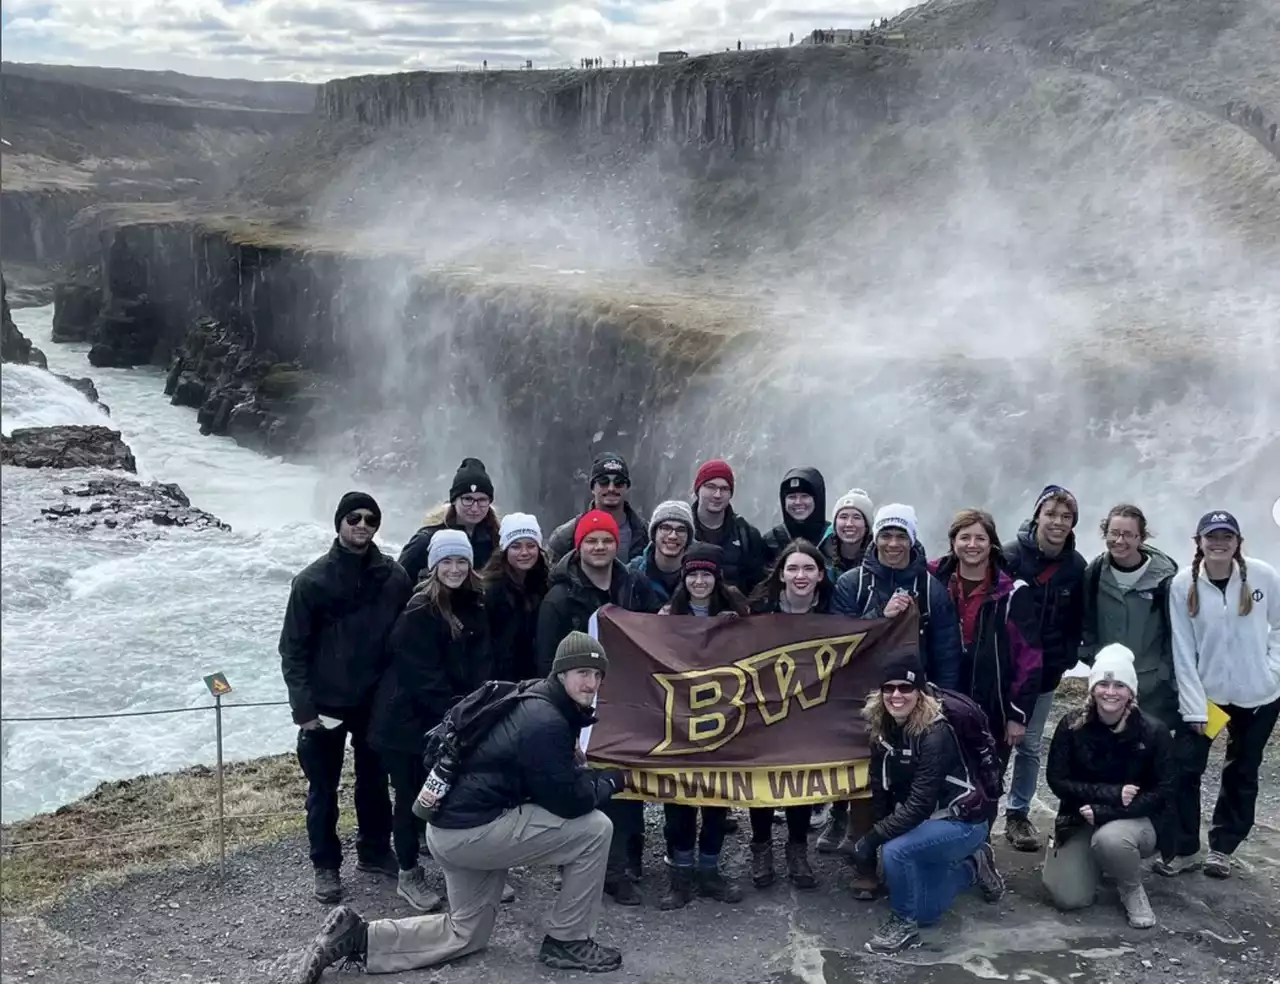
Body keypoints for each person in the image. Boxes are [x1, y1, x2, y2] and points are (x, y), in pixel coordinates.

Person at [291, 633, 629, 982]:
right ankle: (568, 940)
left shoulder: (533, 696)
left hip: (451, 826)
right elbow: (569, 803)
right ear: (561, 674)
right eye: (582, 673)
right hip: (473, 833)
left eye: (597, 674)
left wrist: (582, 772)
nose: (591, 683)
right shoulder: (547, 720)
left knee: (467, 934)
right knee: (595, 829)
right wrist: (610, 781)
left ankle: (357, 937)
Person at [280, 492, 410, 903]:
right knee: (323, 786)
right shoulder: (312, 581)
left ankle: (374, 851)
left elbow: (407, 640)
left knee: (375, 781)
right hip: (326, 703)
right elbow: (293, 649)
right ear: (339, 522)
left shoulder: (394, 577)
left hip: (375, 701)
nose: (362, 525)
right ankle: (325, 866)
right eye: (353, 517)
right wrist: (302, 708)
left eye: (370, 519)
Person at [536, 508, 659, 904]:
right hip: (578, 703)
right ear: (579, 546)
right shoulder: (559, 596)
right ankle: (583, 865)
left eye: (606, 540)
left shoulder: (633, 584)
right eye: (592, 540)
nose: (600, 547)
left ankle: (625, 863)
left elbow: (662, 630)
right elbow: (546, 659)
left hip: (627, 699)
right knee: (580, 780)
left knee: (625, 779)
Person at [368, 530, 491, 911]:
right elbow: (422, 676)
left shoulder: (476, 604)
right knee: (412, 797)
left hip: (452, 717)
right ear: (433, 566)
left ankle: (466, 869)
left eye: (461, 561)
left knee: (456, 793)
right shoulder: (418, 611)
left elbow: (482, 661)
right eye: (447, 562)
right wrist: (461, 712)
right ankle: (409, 874)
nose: (454, 569)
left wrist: (479, 703)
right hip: (405, 724)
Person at [852, 656, 1004, 954]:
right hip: (927, 822)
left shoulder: (936, 733)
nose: (896, 696)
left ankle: (902, 926)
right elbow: (879, 788)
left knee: (898, 850)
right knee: (927, 912)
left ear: (920, 692)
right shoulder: (881, 728)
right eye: (889, 688)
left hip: (961, 821)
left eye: (906, 688)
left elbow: (920, 804)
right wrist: (876, 841)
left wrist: (874, 839)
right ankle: (974, 865)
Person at [1163, 511, 1280, 879]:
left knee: (1242, 770)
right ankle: (1185, 849)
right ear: (1198, 541)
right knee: (1185, 769)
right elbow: (1182, 648)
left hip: (1259, 697)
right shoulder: (1184, 584)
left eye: (1226, 536)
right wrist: (1194, 706)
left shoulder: (1263, 575)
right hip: (1209, 696)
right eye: (1211, 536)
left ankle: (1223, 848)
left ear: (1238, 541)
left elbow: (1279, 626)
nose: (1219, 542)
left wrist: (1271, 671)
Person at [1043, 644, 1172, 928]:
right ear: (1092, 689)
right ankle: (1096, 860)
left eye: (1119, 685)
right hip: (1082, 816)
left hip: (1134, 819)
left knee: (1110, 840)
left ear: (1131, 692)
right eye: (1102, 683)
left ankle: (1130, 888)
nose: (1110, 692)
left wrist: (1107, 812)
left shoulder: (1154, 731)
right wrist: (1111, 794)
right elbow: (1057, 779)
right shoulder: (1071, 725)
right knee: (1068, 897)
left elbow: (1163, 791)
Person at [656, 543, 748, 909]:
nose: (698, 581)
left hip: (722, 716)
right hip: (679, 718)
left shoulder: (735, 612)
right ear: (684, 577)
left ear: (716, 578)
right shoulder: (667, 614)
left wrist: (737, 626)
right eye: (692, 574)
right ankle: (679, 875)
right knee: (678, 798)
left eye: (705, 574)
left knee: (715, 796)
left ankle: (709, 871)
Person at [1000, 484, 1087, 852]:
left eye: (1066, 517)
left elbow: (1078, 619)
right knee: (992, 740)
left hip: (1046, 672)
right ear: (1037, 515)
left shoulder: (1076, 566)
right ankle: (979, 811)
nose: (1058, 522)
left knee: (1030, 744)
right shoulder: (1010, 556)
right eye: (1051, 514)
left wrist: (1066, 658)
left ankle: (1017, 814)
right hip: (1004, 670)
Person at [744, 539, 832, 889]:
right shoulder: (759, 608)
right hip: (765, 704)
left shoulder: (831, 611)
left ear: (821, 574)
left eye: (808, 568)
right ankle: (761, 845)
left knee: (801, 777)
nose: (800, 575)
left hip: (811, 706)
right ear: (781, 574)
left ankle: (797, 848)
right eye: (793, 568)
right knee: (762, 776)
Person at [929, 509, 1042, 780]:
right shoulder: (931, 579)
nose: (972, 545)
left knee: (987, 778)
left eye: (980, 538)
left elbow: (1029, 658)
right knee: (936, 775)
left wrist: (1017, 714)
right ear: (953, 542)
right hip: (938, 695)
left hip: (993, 703)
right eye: (964, 537)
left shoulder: (1012, 592)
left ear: (991, 543)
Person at [832, 504, 962, 690]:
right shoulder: (852, 584)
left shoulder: (931, 589)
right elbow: (838, 644)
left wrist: (942, 700)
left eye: (901, 536)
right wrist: (880, 615)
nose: (893, 544)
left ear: (912, 541)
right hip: (858, 694)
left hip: (914, 696)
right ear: (875, 539)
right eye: (885, 536)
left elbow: (947, 655)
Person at [1080, 504, 1180, 729]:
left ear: (1141, 537)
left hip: (1151, 685)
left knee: (1147, 746)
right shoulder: (1095, 573)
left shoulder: (1165, 579)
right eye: (1113, 533)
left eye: (1127, 534)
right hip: (1109, 684)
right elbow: (1086, 620)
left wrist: (1165, 673)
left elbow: (1176, 631)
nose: (1119, 540)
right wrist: (1091, 657)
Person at [399, 458, 500, 585]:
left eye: (482, 500)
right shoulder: (425, 541)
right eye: (467, 499)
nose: (475, 508)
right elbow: (398, 583)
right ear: (453, 500)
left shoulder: (497, 540)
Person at [482, 513, 550, 683]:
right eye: (516, 546)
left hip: (536, 678)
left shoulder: (545, 583)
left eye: (531, 546)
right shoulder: (491, 591)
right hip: (501, 681)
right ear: (505, 550)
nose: (524, 552)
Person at [547, 452, 648, 564]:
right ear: (592, 488)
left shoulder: (648, 533)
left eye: (619, 483)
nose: (611, 488)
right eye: (604, 482)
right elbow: (550, 577)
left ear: (627, 488)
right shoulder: (564, 538)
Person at [689, 458, 769, 593]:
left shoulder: (747, 534)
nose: (717, 495)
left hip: (735, 611)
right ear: (697, 489)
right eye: (711, 487)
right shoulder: (681, 529)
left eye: (724, 489)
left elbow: (759, 583)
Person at [627, 500, 695, 606]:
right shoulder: (632, 572)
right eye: (665, 528)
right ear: (654, 534)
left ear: (688, 537)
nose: (673, 536)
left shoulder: (701, 576)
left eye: (681, 530)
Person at [762, 467, 828, 564]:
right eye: (792, 497)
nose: (798, 502)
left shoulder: (832, 538)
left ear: (817, 499)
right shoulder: (771, 541)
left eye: (804, 496)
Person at [819, 488, 874, 581]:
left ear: (867, 525)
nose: (849, 524)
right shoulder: (819, 560)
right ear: (835, 524)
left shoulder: (878, 562)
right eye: (843, 517)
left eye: (857, 517)